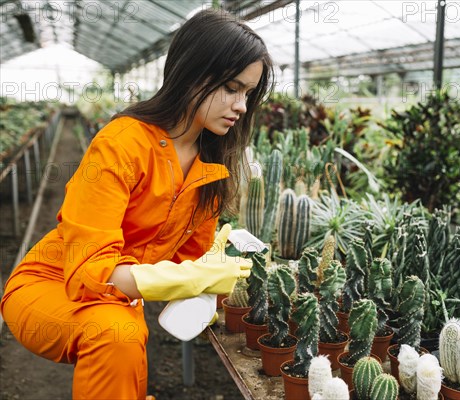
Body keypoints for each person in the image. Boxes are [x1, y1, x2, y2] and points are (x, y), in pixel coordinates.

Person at [1, 9, 273, 399]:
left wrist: (210, 280)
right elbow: (88, 275)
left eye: (248, 93)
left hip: (119, 299)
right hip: (53, 284)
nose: (242, 106)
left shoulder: (210, 167)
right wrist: (185, 278)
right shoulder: (122, 143)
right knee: (119, 333)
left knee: (125, 338)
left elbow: (189, 264)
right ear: (192, 74)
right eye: (231, 87)